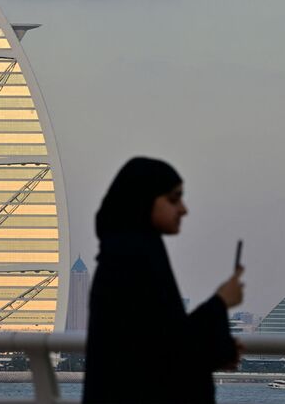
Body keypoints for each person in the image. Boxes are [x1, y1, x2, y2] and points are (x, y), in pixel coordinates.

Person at [83, 157, 243, 404]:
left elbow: (156, 341)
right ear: (144, 200)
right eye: (173, 199)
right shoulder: (133, 257)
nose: (183, 209)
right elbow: (169, 352)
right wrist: (222, 302)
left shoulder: (126, 252)